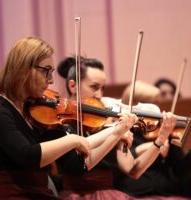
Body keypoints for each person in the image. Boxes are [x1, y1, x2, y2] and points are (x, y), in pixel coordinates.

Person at [0, 37, 138, 200]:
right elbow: (29, 157)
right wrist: (72, 140)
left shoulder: (36, 114)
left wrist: (116, 131)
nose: (51, 80)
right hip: (12, 195)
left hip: (38, 194)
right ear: (24, 69)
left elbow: (78, 165)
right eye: (46, 71)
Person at [56, 56, 177, 199]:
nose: (100, 95)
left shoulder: (110, 123)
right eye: (94, 87)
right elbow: (78, 166)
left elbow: (133, 170)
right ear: (73, 86)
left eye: (103, 88)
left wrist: (161, 139)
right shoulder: (61, 122)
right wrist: (114, 132)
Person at [113, 81, 191, 200]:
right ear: (134, 104)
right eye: (151, 104)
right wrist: (142, 149)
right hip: (134, 193)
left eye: (158, 104)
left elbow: (178, 171)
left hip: (165, 193)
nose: (157, 111)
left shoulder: (163, 130)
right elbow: (116, 167)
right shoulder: (123, 130)